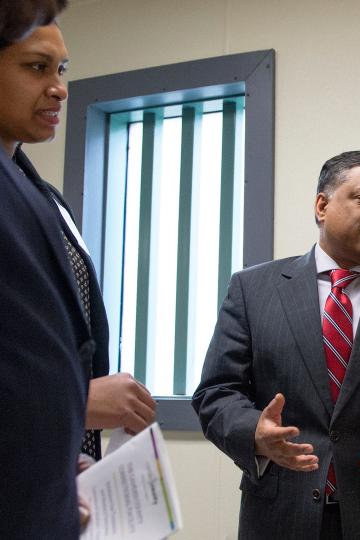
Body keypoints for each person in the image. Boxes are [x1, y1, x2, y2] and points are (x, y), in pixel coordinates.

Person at [193, 150, 360, 539]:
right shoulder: (253, 290)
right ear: (322, 205)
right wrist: (254, 430)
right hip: (279, 515)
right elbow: (216, 393)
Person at [0, 15, 156, 537]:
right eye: (36, 67)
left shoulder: (46, 200)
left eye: (61, 69)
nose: (59, 88)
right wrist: (79, 403)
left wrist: (57, 457)